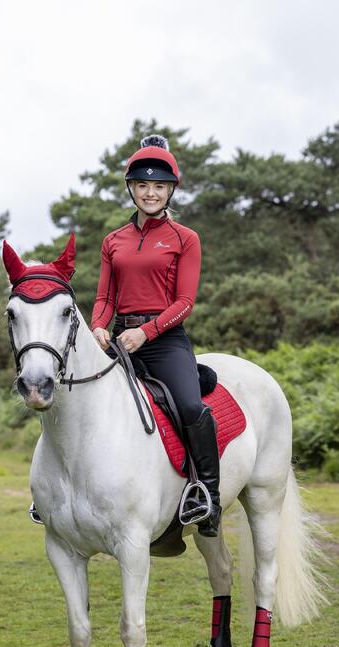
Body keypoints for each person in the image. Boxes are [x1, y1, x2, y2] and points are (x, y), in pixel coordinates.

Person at [90, 134, 221, 537]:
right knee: (75, 398)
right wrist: (97, 325)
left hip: (164, 340)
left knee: (189, 406)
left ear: (170, 190)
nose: (150, 192)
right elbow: (105, 297)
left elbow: (185, 301)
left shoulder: (185, 238)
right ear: (131, 188)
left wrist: (145, 333)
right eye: (142, 185)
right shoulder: (113, 240)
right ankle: (56, 494)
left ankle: (207, 496)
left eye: (159, 186)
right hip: (117, 338)